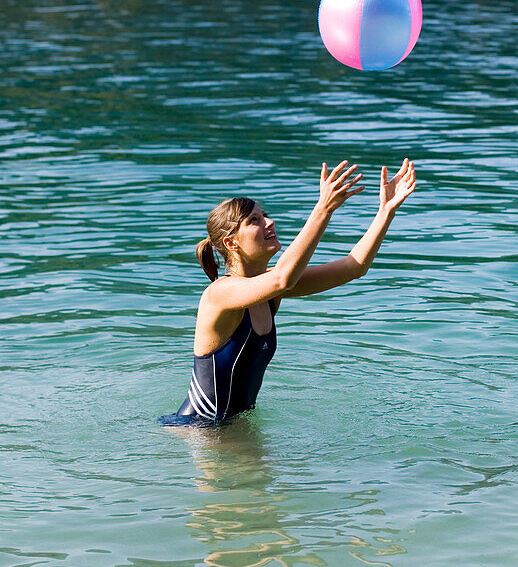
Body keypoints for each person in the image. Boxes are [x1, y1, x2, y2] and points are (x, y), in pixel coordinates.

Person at [159, 158, 416, 426]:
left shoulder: (268, 290)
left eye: (265, 215)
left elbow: (354, 267)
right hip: (201, 431)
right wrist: (323, 209)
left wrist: (386, 212)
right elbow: (283, 278)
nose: (269, 222)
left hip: (233, 429)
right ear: (230, 243)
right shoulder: (220, 294)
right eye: (254, 220)